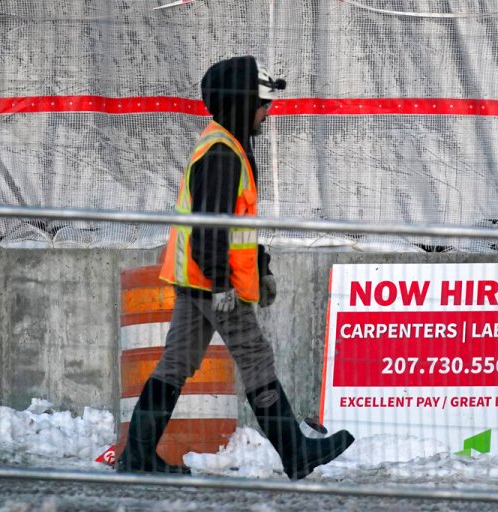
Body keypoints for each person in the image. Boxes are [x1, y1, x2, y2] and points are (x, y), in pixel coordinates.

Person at [115, 56, 355, 479]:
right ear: (242, 103)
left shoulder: (228, 145)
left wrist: (260, 265)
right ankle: (295, 454)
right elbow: (210, 228)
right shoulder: (223, 154)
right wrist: (224, 284)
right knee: (256, 358)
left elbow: (237, 221)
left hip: (200, 279)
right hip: (214, 283)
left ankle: (136, 458)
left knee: (175, 365)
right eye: (263, 103)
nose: (268, 111)